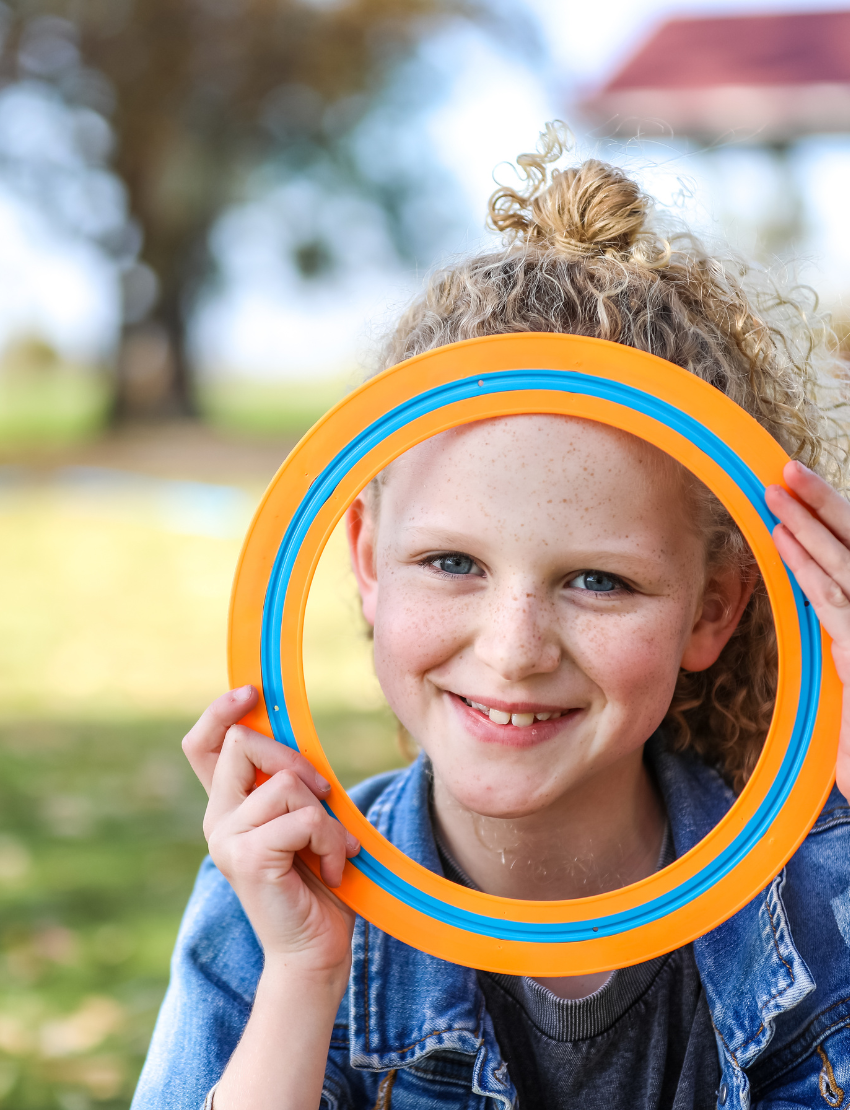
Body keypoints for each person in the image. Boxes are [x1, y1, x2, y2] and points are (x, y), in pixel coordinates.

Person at [131, 125, 850, 1110]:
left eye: (597, 581)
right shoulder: (268, 895)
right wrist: (301, 980)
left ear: (714, 608)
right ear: (367, 563)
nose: (513, 652)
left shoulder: (825, 887)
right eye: (452, 562)